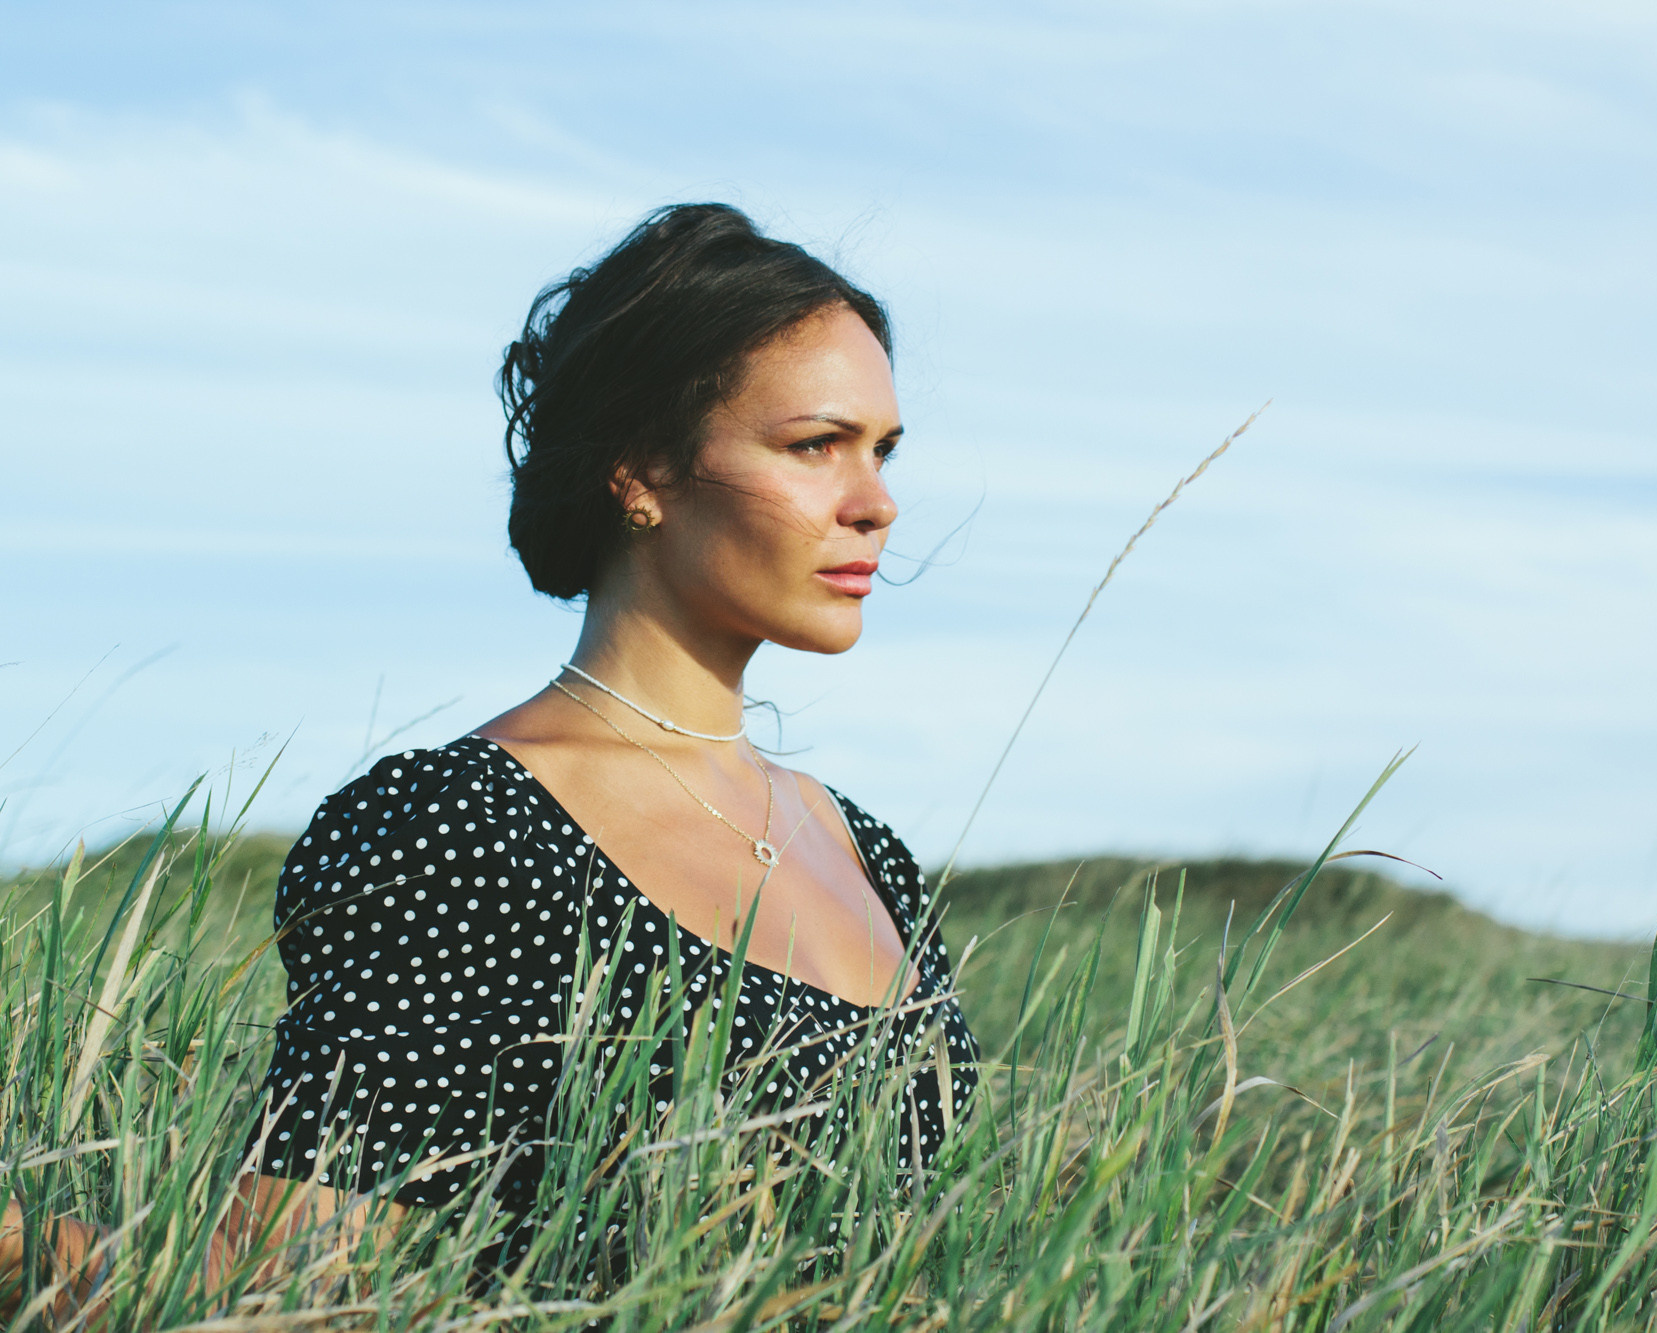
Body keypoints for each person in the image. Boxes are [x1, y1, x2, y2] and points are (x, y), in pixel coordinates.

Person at [1, 203, 980, 1316]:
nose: (877, 503)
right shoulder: (461, 826)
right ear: (640, 469)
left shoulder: (864, 846)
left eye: (883, 450)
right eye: (816, 445)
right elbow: (290, 1276)